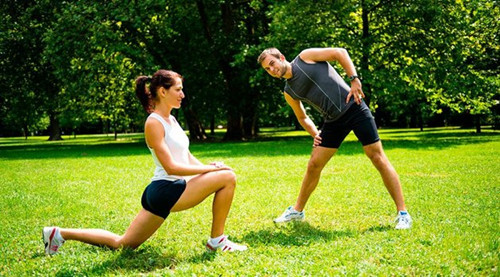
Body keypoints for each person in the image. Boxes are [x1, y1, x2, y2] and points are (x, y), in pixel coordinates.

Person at [42, 69, 248, 255]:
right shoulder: (154, 122)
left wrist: (210, 167)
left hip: (164, 191)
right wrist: (212, 171)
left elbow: (185, 157)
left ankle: (59, 233)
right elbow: (171, 167)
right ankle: (217, 241)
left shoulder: (172, 120)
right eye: (178, 89)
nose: (183, 95)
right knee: (228, 177)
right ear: (162, 91)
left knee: (122, 243)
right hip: (168, 189)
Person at [257, 47, 412, 229]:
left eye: (272, 63)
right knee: (314, 164)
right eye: (267, 69)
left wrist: (354, 80)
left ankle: (403, 213)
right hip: (332, 121)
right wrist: (316, 134)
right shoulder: (289, 92)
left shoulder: (305, 57)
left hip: (354, 107)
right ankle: (297, 211)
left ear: (281, 57)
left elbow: (340, 53)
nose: (272, 70)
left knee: (376, 156)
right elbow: (302, 117)